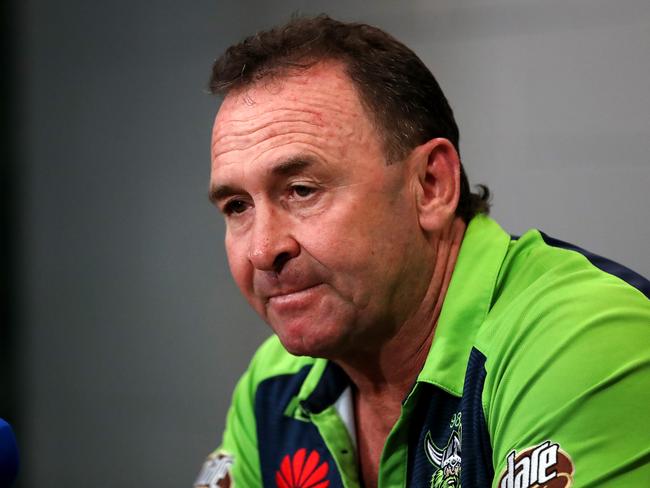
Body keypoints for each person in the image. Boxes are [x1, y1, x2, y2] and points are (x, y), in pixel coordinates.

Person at [194, 15, 650, 488]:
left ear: (431, 185)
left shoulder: (578, 340)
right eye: (237, 206)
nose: (264, 249)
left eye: (303, 190)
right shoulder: (275, 383)